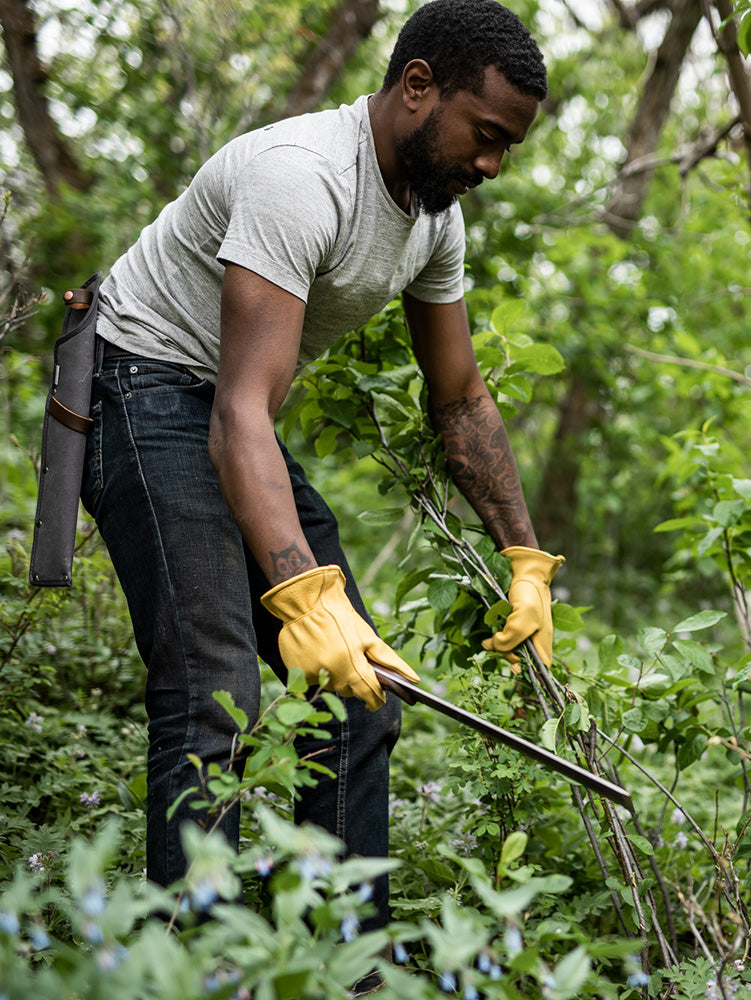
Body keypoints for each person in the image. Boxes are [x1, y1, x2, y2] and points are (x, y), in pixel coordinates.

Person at [80, 0, 563, 944]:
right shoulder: (300, 177)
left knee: (361, 692)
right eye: (488, 136)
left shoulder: (433, 220)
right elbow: (238, 415)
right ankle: (185, 960)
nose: (492, 165)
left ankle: (348, 961)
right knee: (219, 685)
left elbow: (459, 399)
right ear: (417, 85)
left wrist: (527, 560)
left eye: (508, 147)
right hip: (137, 383)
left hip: (226, 406)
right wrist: (304, 593)